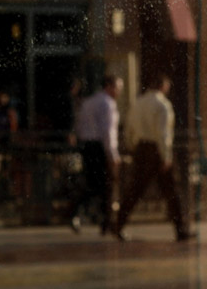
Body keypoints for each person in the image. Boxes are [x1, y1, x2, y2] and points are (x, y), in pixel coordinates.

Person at [117, 74, 192, 242]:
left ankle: (119, 223)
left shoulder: (138, 103)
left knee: (135, 189)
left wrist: (132, 146)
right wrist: (166, 156)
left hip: (141, 148)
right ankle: (180, 230)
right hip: (156, 150)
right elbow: (163, 134)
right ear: (163, 87)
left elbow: (128, 129)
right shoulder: (162, 105)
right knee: (171, 190)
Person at [68, 75, 123, 234]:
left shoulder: (89, 102)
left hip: (87, 145)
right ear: (109, 86)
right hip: (99, 146)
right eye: (117, 87)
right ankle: (104, 220)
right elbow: (108, 131)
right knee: (104, 184)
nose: (119, 92)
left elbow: (79, 125)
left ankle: (102, 220)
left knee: (94, 183)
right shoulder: (107, 104)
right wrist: (113, 154)